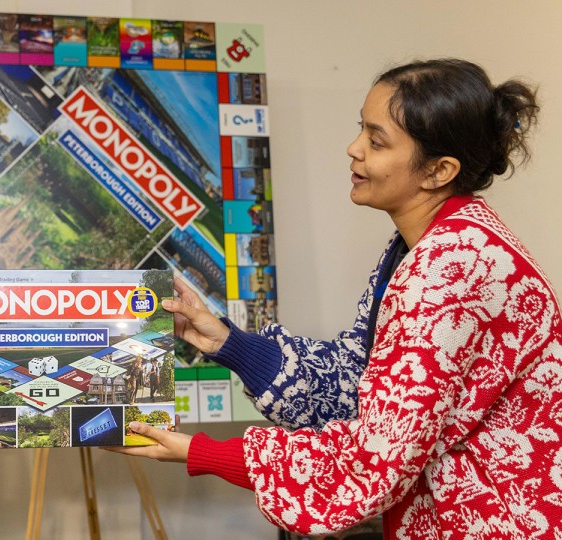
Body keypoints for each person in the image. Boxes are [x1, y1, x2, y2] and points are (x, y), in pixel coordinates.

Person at [108, 58, 562, 538]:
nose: (353, 149)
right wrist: (228, 344)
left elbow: (376, 460)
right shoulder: (437, 243)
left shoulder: (450, 270)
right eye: (360, 130)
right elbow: (357, 385)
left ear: (438, 170)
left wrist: (199, 451)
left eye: (376, 139)